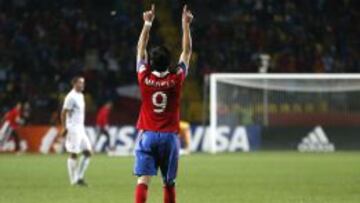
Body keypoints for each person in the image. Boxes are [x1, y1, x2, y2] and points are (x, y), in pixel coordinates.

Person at [133, 4, 193, 203]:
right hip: (169, 138)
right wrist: (185, 25)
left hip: (148, 135)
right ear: (169, 63)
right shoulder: (176, 80)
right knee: (169, 182)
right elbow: (187, 51)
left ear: (151, 63)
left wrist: (147, 23)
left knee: (143, 180)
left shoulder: (145, 77)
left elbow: (140, 50)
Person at [60, 76, 92, 186]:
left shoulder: (81, 96)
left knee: (88, 152)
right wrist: (64, 127)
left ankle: (79, 177)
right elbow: (63, 112)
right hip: (73, 128)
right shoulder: (70, 97)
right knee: (73, 154)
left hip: (81, 128)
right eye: (80, 83)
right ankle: (73, 180)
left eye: (83, 83)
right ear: (74, 84)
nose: (82, 85)